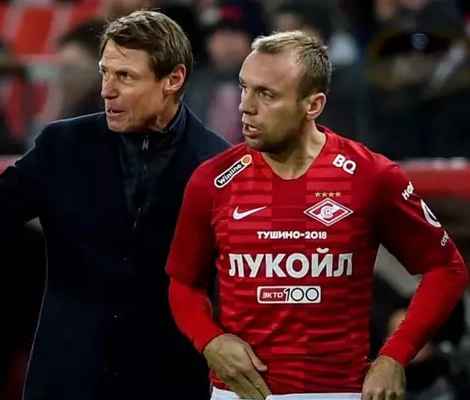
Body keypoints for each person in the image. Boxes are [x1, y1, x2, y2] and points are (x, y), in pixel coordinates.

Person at [0, 10, 230, 400]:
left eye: (126, 76)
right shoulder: (62, 147)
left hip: (170, 386)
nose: (107, 90)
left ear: (173, 79)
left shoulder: (221, 167)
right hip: (66, 383)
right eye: (105, 72)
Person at [165, 30, 469, 400]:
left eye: (266, 94)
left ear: (313, 105)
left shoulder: (371, 176)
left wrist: (395, 356)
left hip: (338, 391)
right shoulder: (213, 179)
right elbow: (183, 283)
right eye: (245, 87)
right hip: (238, 393)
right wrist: (210, 339)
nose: (245, 106)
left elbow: (447, 269)